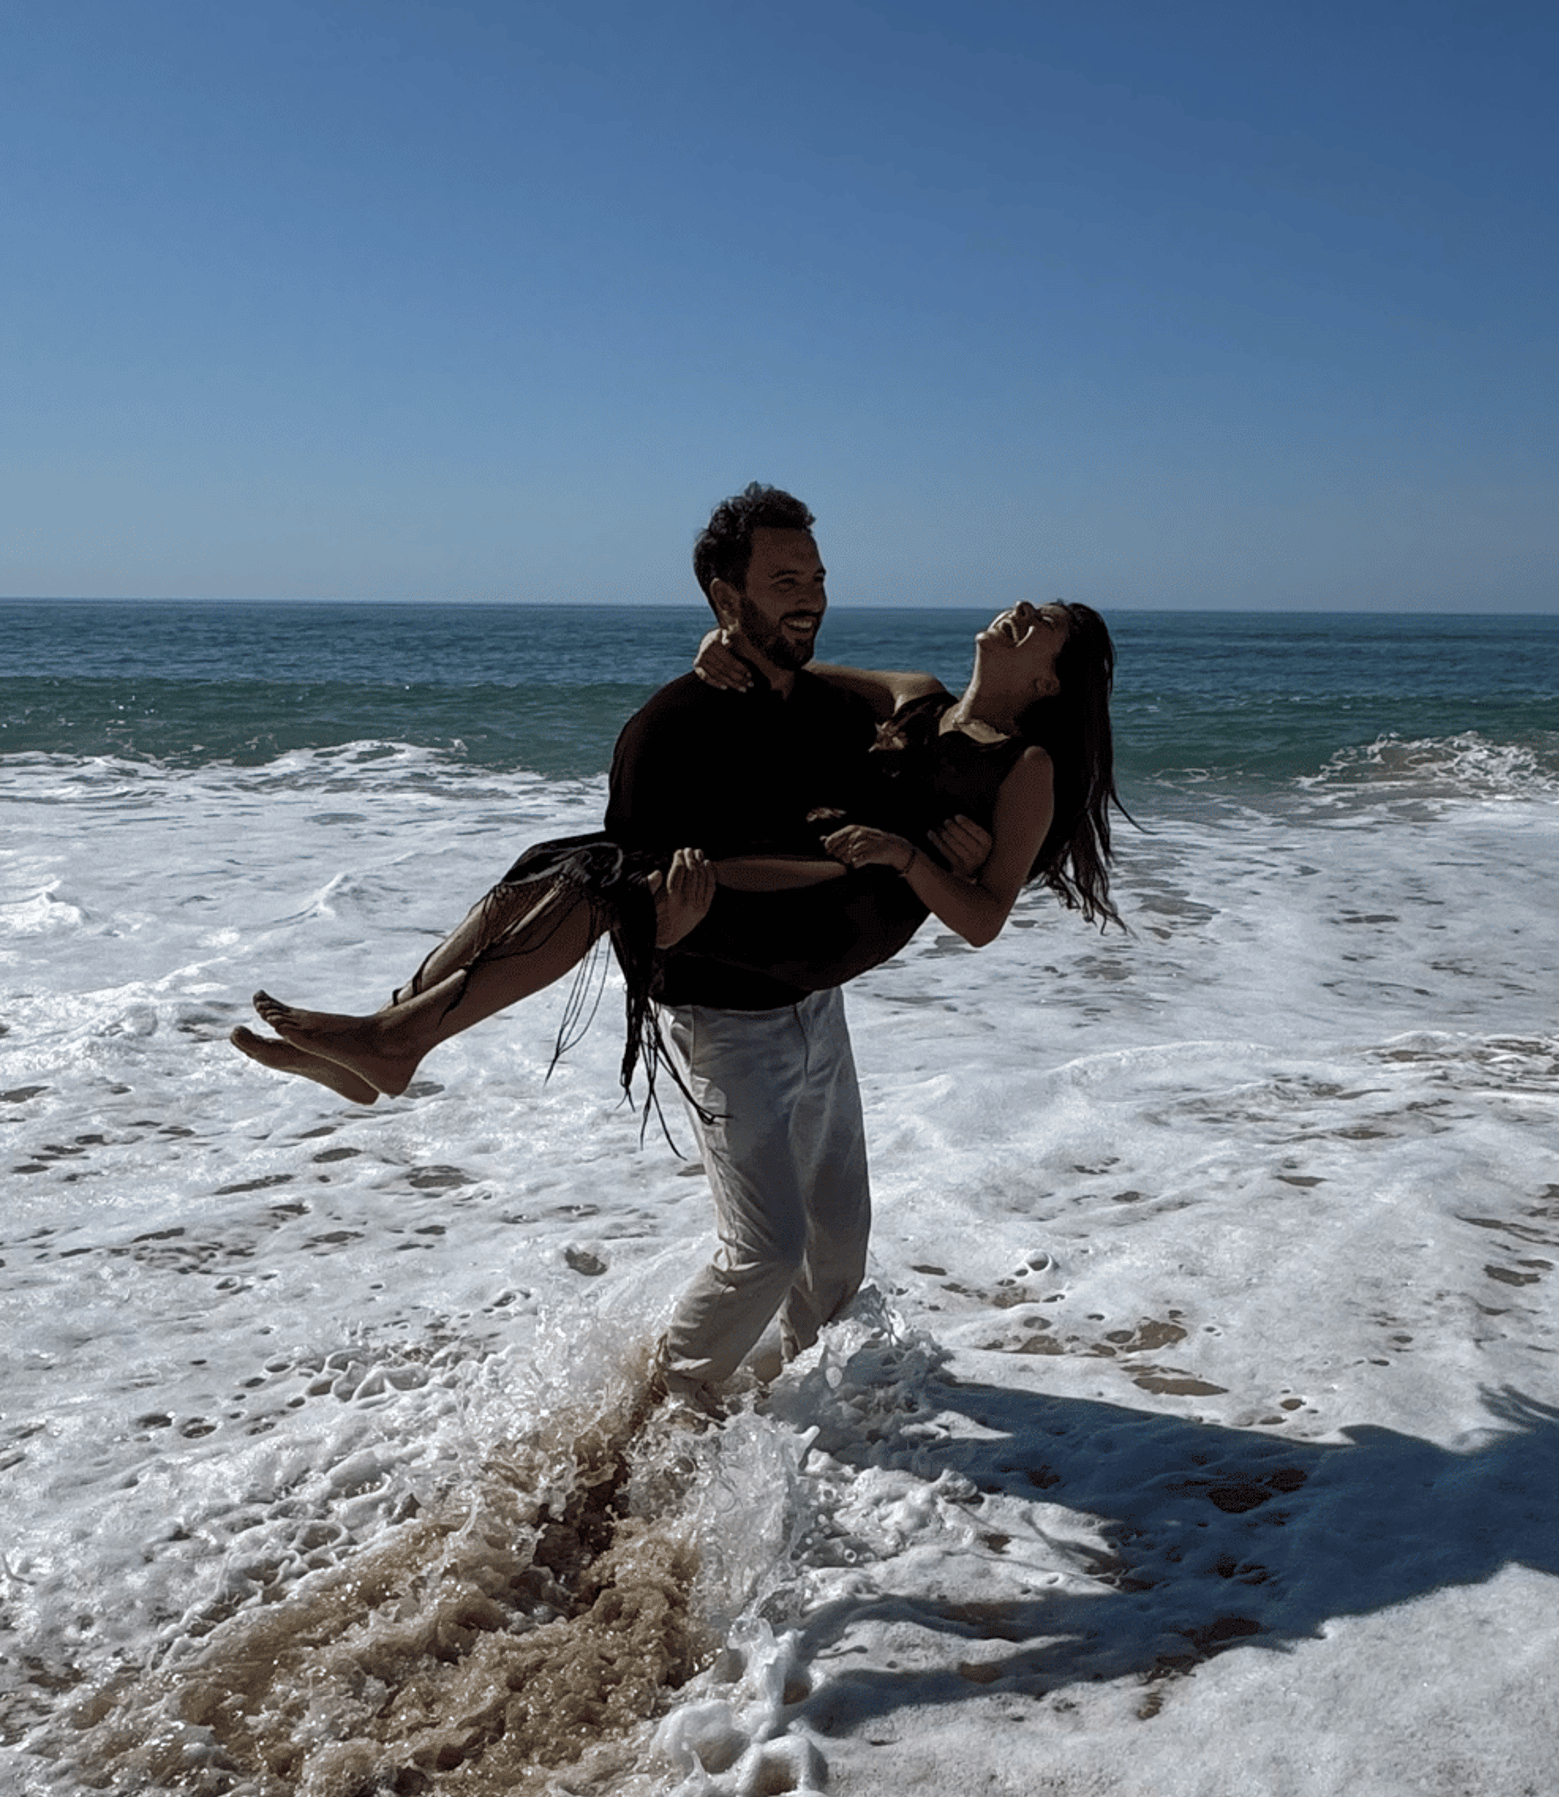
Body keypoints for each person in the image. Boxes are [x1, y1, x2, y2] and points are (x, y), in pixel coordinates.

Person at [235, 484, 1119, 1412]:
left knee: (836, 1255)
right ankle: (667, 1404)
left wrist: (910, 854)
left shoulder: (1023, 766)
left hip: (825, 970)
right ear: (728, 592)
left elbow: (982, 916)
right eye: (786, 577)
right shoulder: (909, 699)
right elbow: (805, 684)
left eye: (1042, 624)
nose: (1018, 612)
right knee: (597, 875)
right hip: (750, 978)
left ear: (1053, 681)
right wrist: (720, 645)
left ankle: (813, 1416)